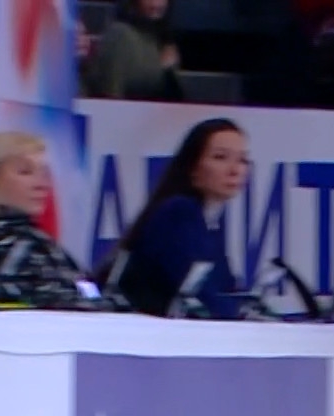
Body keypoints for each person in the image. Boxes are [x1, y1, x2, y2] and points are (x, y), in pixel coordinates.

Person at [105, 118, 248, 318]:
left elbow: (227, 289)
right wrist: (241, 315)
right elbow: (198, 292)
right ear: (192, 167)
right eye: (220, 157)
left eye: (242, 160)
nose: (235, 170)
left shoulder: (210, 223)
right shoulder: (178, 212)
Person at [0, 131, 105, 310]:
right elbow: (72, 305)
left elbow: (87, 293)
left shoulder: (35, 241)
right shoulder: (11, 246)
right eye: (25, 172)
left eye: (45, 174)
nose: (41, 185)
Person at [88, 0, 182, 101]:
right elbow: (110, 95)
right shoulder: (120, 35)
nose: (156, 2)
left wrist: (167, 71)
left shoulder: (163, 40)